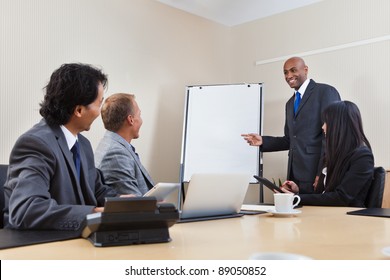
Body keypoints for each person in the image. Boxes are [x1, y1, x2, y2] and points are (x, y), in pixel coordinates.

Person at [3, 63, 120, 230]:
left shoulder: (83, 145)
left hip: (74, 241)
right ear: (79, 110)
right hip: (39, 246)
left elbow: (96, 190)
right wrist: (94, 213)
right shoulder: (35, 144)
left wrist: (126, 202)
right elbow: (27, 210)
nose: (100, 111)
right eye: (99, 103)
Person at [242, 57, 341, 193]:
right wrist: (263, 141)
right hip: (295, 175)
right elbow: (290, 140)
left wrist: (322, 172)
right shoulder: (290, 103)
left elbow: (331, 136)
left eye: (293, 70)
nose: (289, 76)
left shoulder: (325, 92)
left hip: (316, 173)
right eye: (285, 72)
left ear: (305, 70)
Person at [280, 100, 374, 207]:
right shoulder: (334, 153)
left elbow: (341, 198)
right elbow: (324, 192)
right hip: (326, 214)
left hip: (346, 219)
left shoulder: (362, 157)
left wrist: (296, 198)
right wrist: (298, 191)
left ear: (339, 125)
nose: (323, 127)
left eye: (326, 122)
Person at [95, 93, 154, 196]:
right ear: (130, 120)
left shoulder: (112, 144)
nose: (141, 120)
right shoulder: (115, 154)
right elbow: (133, 205)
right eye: (139, 115)